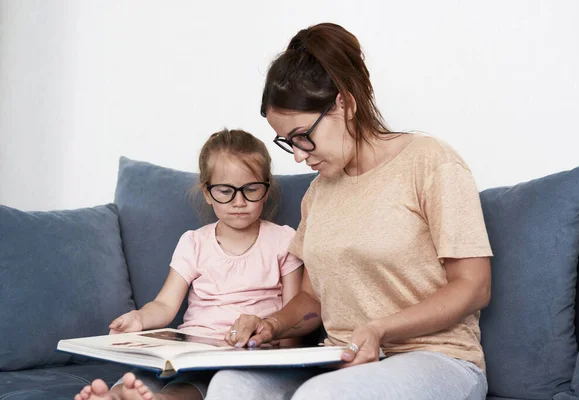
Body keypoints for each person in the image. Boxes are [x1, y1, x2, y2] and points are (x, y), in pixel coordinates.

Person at [205, 23, 493, 400]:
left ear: (345, 103)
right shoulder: (318, 193)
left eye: (302, 135)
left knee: (323, 396)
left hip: (436, 357)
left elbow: (474, 286)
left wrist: (379, 329)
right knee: (230, 385)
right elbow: (312, 299)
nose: (297, 154)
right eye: (287, 142)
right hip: (340, 361)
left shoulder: (430, 162)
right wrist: (272, 325)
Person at [74, 129, 304, 400]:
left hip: (247, 353)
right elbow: (164, 305)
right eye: (225, 191)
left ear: (266, 190)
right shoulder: (194, 243)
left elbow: (294, 317)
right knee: (144, 375)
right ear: (207, 193)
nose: (239, 202)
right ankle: (115, 396)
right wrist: (138, 318)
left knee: (208, 384)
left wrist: (284, 360)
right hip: (192, 350)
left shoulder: (284, 240)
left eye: (251, 189)